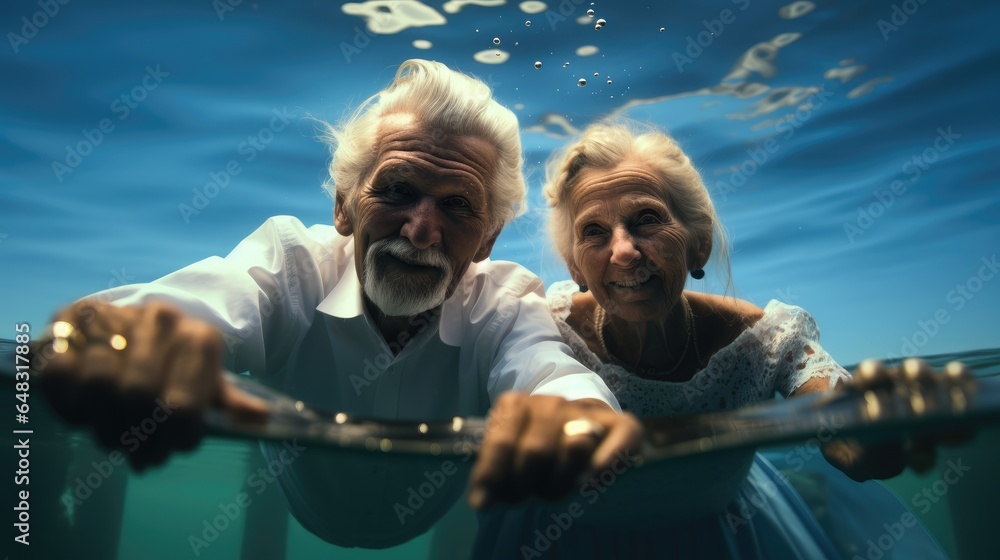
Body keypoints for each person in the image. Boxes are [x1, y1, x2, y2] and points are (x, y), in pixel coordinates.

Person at [31, 59, 642, 550]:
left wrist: (575, 417)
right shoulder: (291, 263)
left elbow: (549, 371)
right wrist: (121, 337)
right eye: (397, 190)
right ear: (343, 208)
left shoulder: (506, 301)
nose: (420, 230)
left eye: (458, 205)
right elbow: (214, 297)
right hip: (297, 497)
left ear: (487, 238)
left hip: (433, 511)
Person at [473, 121, 950, 559]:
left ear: (698, 243)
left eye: (646, 219)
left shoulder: (766, 339)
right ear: (576, 265)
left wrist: (879, 425)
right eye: (594, 232)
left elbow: (849, 444)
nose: (622, 251)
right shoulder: (541, 325)